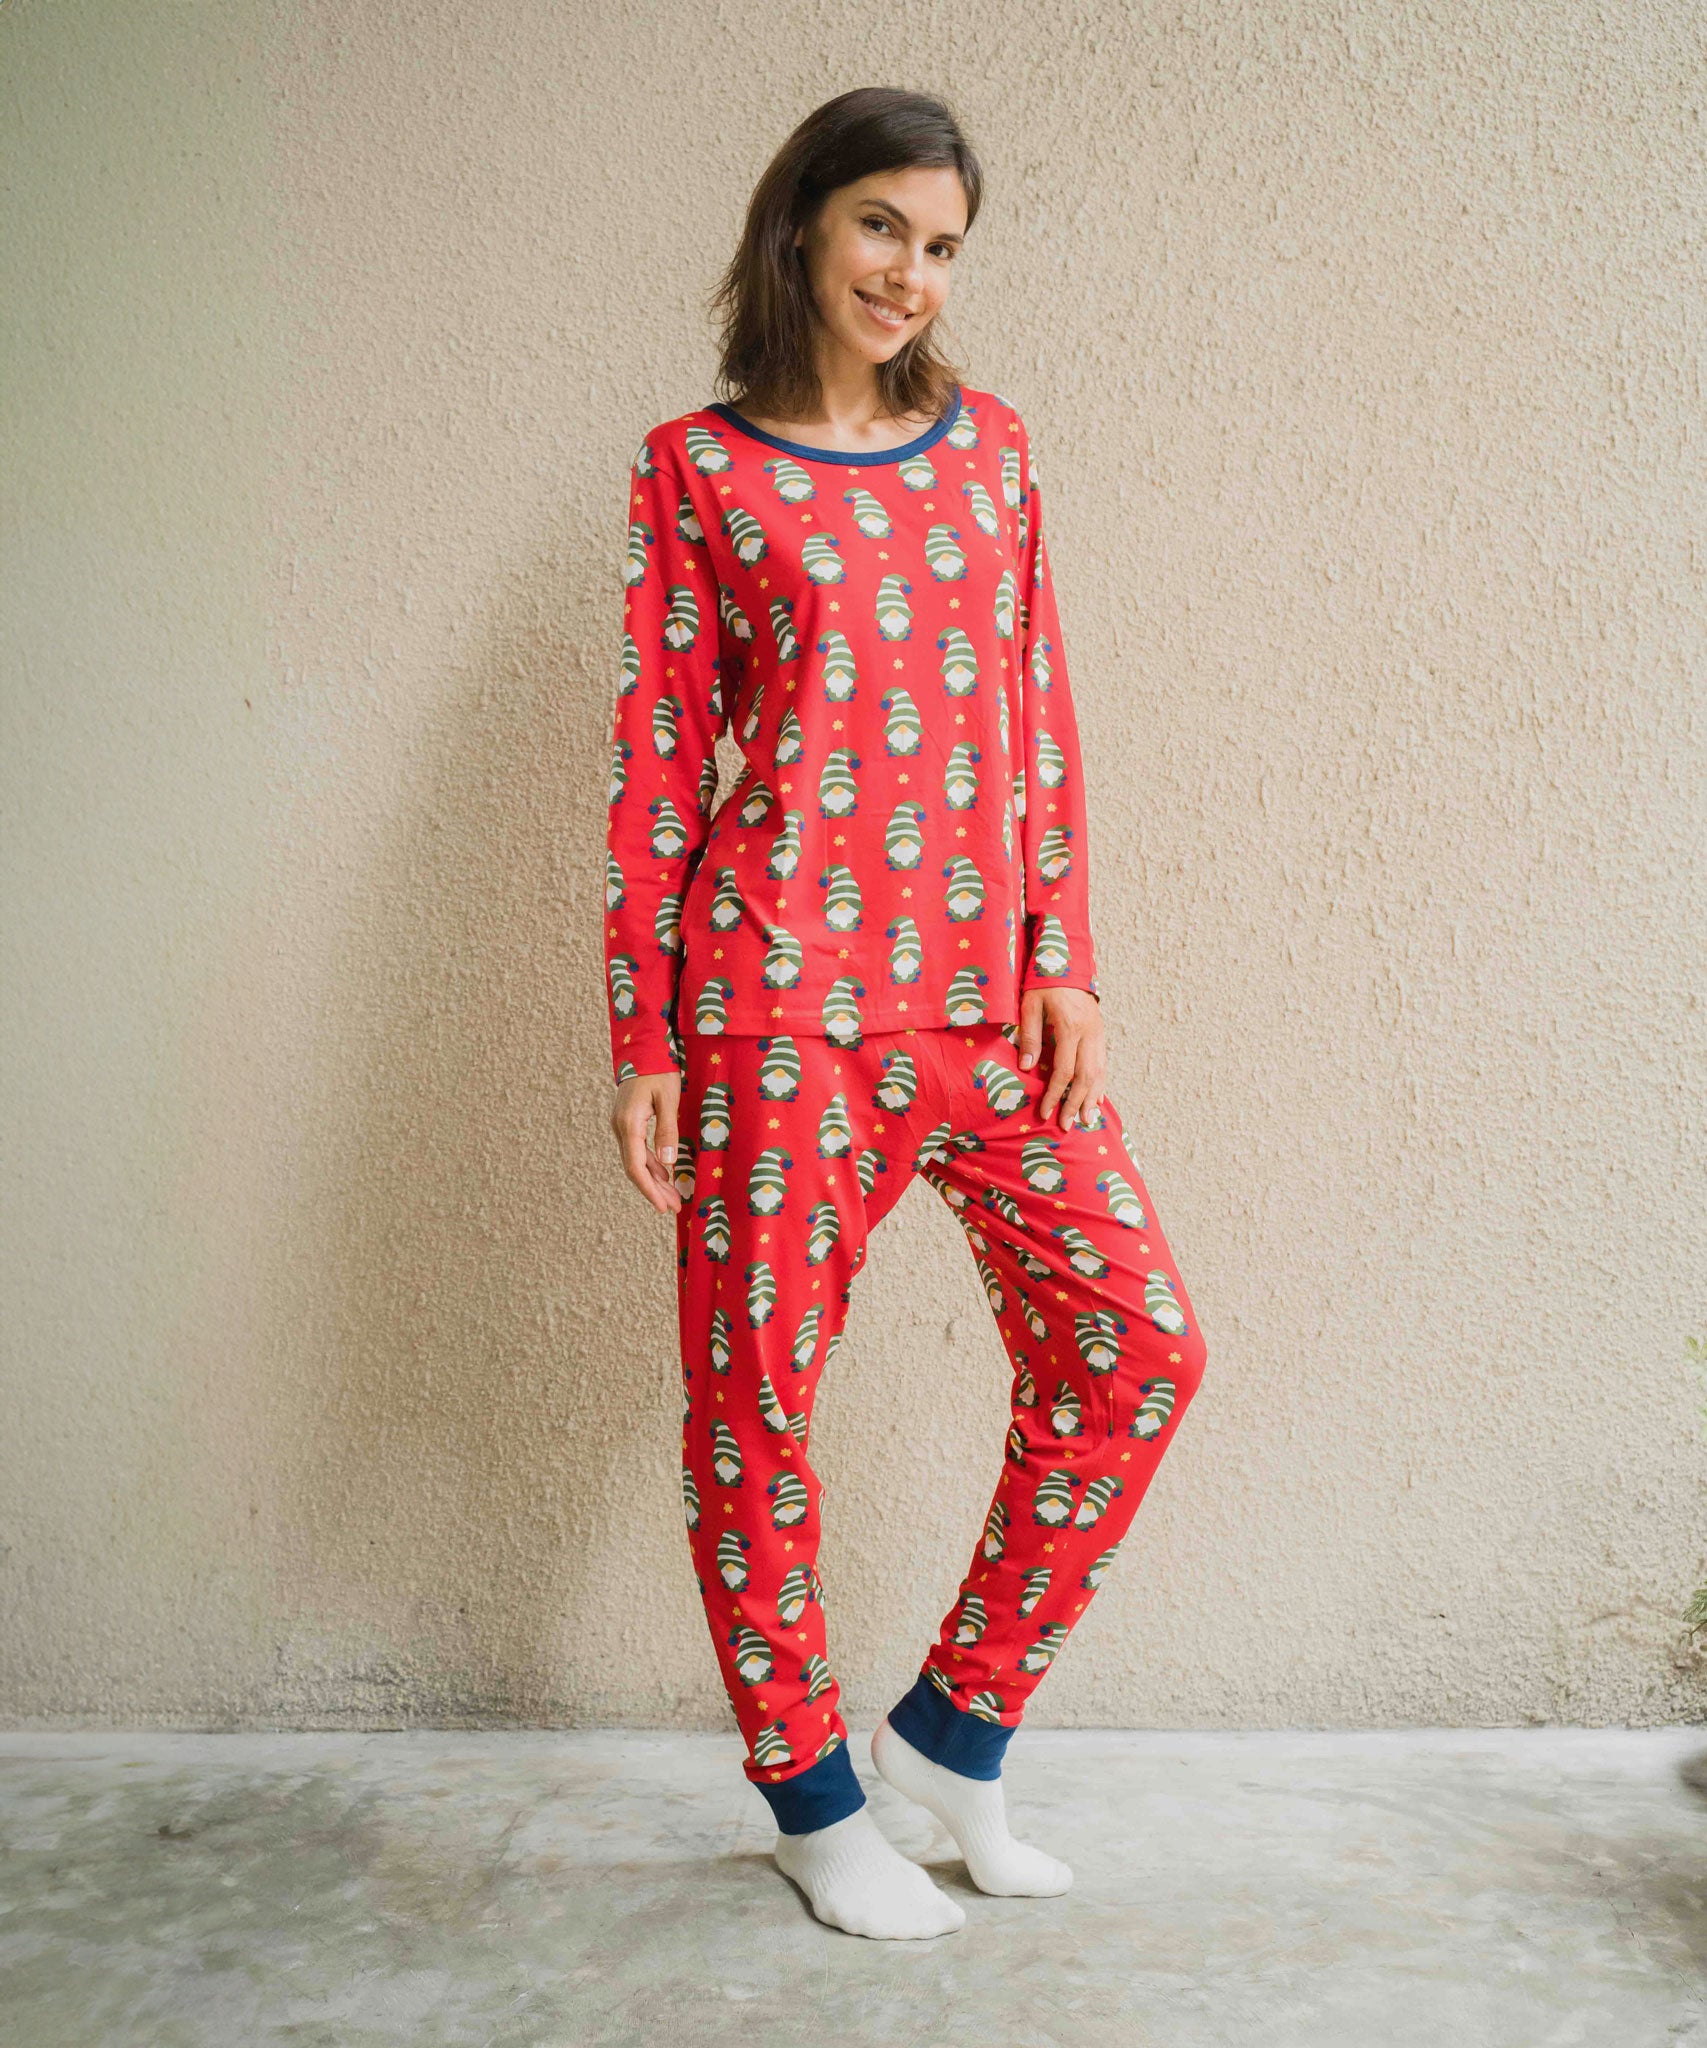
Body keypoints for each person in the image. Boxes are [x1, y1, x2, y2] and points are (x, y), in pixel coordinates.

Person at [604, 86, 1208, 1941]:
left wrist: (1069, 955)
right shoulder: (695, 470)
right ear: (801, 223)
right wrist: (642, 1033)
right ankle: (811, 1799)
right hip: (773, 1012)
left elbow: (1040, 716)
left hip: (982, 1010)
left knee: (1137, 1348)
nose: (911, 274)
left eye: (943, 247)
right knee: (755, 1410)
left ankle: (954, 1734)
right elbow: (655, 765)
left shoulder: (994, 452)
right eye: (883, 227)